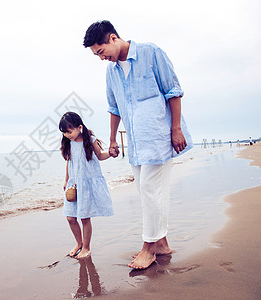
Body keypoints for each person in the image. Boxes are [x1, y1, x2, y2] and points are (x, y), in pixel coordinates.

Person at [83, 20, 193, 269]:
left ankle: (149, 248)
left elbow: (173, 91)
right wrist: (112, 139)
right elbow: (114, 107)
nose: (101, 59)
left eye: (101, 52)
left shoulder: (151, 53)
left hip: (159, 136)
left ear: (113, 38)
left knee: (151, 189)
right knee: (146, 193)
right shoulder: (111, 72)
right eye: (96, 56)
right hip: (135, 142)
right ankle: (162, 243)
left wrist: (175, 129)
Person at [59, 112, 114, 259]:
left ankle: (87, 248)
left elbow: (100, 156)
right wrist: (66, 180)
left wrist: (111, 153)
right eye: (64, 132)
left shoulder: (90, 140)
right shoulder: (68, 143)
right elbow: (69, 162)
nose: (67, 135)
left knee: (84, 218)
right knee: (70, 217)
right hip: (74, 184)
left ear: (79, 127)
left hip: (87, 184)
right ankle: (79, 243)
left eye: (69, 131)